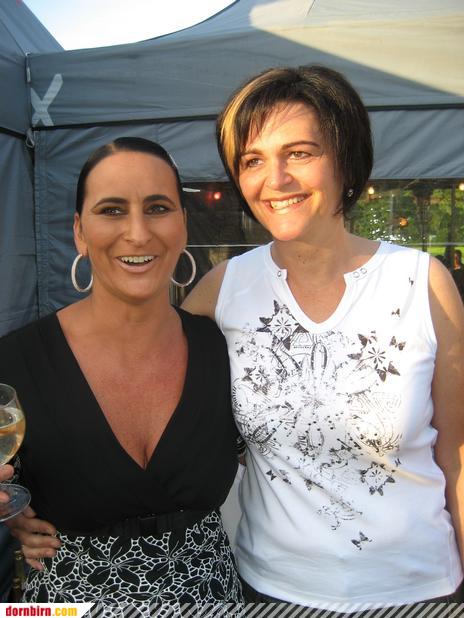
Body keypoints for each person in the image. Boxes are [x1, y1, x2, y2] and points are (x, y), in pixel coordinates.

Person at [6, 66, 464, 612]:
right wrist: (17, 510)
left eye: (299, 153)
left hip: (416, 590)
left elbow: (457, 457)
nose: (276, 178)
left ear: (345, 158)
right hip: (268, 591)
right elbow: (115, 370)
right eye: (252, 161)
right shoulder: (226, 290)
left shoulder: (420, 282)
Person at [0, 137, 242, 604]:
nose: (137, 233)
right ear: (79, 231)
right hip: (65, 610)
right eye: (111, 210)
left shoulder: (221, 348)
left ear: (183, 224)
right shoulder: (15, 360)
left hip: (212, 604)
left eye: (158, 208)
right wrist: (9, 509)